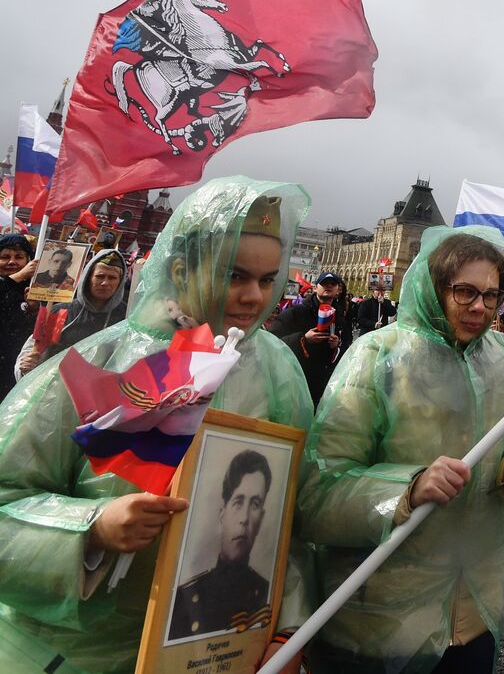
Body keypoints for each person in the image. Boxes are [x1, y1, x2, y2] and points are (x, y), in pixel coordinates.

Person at [0, 177, 316, 674]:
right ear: (180, 270)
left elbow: (291, 521)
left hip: (213, 654)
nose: (256, 296)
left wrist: (285, 626)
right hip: (71, 657)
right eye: (235, 275)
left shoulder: (277, 372)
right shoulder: (98, 362)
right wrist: (91, 529)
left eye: (267, 279)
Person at [298, 226, 504, 672]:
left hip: (474, 615)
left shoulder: (502, 357)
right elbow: (319, 494)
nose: (480, 307)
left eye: (492, 295)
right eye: (465, 292)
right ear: (434, 289)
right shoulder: (376, 356)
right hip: (383, 623)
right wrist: (407, 489)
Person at [169, 449, 274, 640]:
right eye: (238, 502)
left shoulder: (268, 593)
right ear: (222, 512)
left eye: (255, 504)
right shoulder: (184, 597)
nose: (244, 518)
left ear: (261, 518)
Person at [14, 249, 128, 380]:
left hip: (102, 394)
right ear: (88, 278)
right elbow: (32, 351)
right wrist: (27, 367)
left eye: (112, 278)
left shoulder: (127, 317)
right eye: (100, 276)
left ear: (120, 281)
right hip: (57, 392)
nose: (105, 283)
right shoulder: (60, 312)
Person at [268, 271, 352, 405]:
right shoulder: (295, 313)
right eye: (324, 283)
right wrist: (303, 339)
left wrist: (337, 345)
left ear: (338, 290)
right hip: (296, 381)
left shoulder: (340, 318)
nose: (328, 286)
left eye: (333, 284)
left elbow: (347, 347)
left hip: (323, 385)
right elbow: (271, 341)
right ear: (315, 288)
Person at [0, 234, 37, 397]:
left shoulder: (36, 290)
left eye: (19, 257)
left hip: (21, 368)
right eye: (5, 257)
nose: (12, 262)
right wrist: (19, 276)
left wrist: (34, 310)